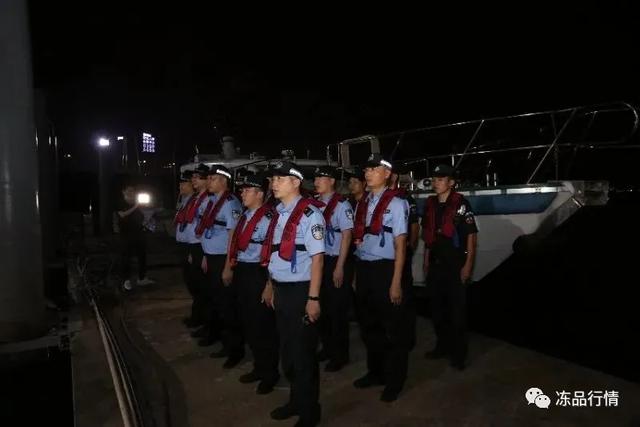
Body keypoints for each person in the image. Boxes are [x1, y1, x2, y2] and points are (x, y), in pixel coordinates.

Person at [262, 161, 324, 427]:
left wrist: (313, 299)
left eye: (280, 179)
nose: (274, 183)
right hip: (281, 289)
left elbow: (318, 259)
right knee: (287, 352)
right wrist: (270, 285)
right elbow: (274, 252)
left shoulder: (310, 214)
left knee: (303, 355)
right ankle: (296, 401)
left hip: (301, 291)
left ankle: (310, 412)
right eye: (273, 179)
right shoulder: (278, 213)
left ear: (296, 182)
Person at [352, 154, 411, 403]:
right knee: (369, 326)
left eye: (374, 169)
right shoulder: (363, 203)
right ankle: (375, 372)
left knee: (393, 329)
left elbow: (401, 245)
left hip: (386, 270)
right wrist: (357, 275)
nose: (368, 173)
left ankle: (395, 381)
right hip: (364, 268)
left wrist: (396, 282)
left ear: (387, 174)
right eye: (366, 169)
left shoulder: (397, 204)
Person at [227, 173, 280, 394]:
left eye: (247, 190)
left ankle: (270, 373)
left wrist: (269, 284)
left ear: (259, 194)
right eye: (242, 190)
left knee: (263, 326)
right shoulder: (246, 215)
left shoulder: (269, 218)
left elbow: (273, 253)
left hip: (260, 273)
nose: (242, 193)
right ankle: (259, 367)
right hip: (243, 270)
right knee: (249, 322)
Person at [422, 164, 478, 371]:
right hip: (435, 265)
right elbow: (428, 237)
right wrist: (426, 262)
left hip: (455, 265)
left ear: (451, 183)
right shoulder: (430, 204)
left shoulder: (461, 204)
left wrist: (468, 266)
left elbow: (471, 236)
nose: (436, 182)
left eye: (441, 179)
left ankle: (458, 354)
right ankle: (442, 346)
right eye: (434, 179)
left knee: (457, 313)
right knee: (437, 310)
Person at [197, 165, 244, 367]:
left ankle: (235, 350)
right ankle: (221, 339)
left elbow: (233, 237)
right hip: (212, 257)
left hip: (223, 259)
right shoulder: (213, 201)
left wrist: (228, 267)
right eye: (208, 178)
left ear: (224, 181)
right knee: (216, 301)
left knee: (228, 306)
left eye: (213, 179)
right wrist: (205, 255)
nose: (209, 182)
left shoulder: (230, 203)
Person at [313, 165, 354, 372]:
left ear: (331, 181)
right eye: (316, 178)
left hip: (337, 260)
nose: (316, 182)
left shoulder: (342, 205)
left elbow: (347, 236)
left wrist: (339, 266)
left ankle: (340, 355)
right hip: (321, 261)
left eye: (321, 178)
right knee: (323, 308)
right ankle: (327, 347)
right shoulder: (315, 204)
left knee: (337, 311)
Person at [177, 164, 210, 336]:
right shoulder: (196, 199)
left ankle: (202, 320)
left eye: (197, 178)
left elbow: (203, 228)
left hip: (198, 247)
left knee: (200, 286)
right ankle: (198, 317)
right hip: (191, 245)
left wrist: (197, 251)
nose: (193, 180)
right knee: (194, 284)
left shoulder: (207, 200)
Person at [117, 183, 154, 290]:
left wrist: (148, 217)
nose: (131, 192)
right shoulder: (120, 203)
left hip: (139, 233)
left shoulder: (137, 203)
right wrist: (135, 206)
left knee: (142, 256)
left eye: (133, 190)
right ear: (123, 192)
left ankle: (142, 278)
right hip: (126, 235)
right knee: (126, 258)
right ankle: (126, 280)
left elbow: (143, 216)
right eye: (129, 190)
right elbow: (122, 214)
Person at [174, 170, 199, 327]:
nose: (180, 187)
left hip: (191, 246)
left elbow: (195, 228)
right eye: (180, 184)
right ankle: (196, 315)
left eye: (184, 184)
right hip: (183, 245)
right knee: (189, 281)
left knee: (194, 283)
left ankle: (198, 316)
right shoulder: (185, 200)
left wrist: (191, 251)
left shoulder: (196, 201)